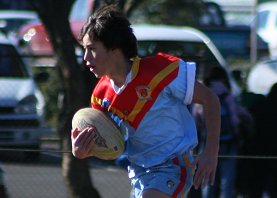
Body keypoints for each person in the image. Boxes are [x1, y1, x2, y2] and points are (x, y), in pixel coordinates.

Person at [71, 5, 221, 198]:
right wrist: (84, 151)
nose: (85, 58)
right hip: (138, 174)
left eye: (91, 49)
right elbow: (112, 146)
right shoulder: (100, 96)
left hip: (173, 166)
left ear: (114, 47)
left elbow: (211, 100)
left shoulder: (161, 71)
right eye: (84, 50)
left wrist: (210, 153)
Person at [201, 66, 240, 198]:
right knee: (226, 182)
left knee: (207, 180)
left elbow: (196, 119)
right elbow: (235, 120)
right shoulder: (227, 95)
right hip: (227, 144)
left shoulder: (202, 93)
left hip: (206, 144)